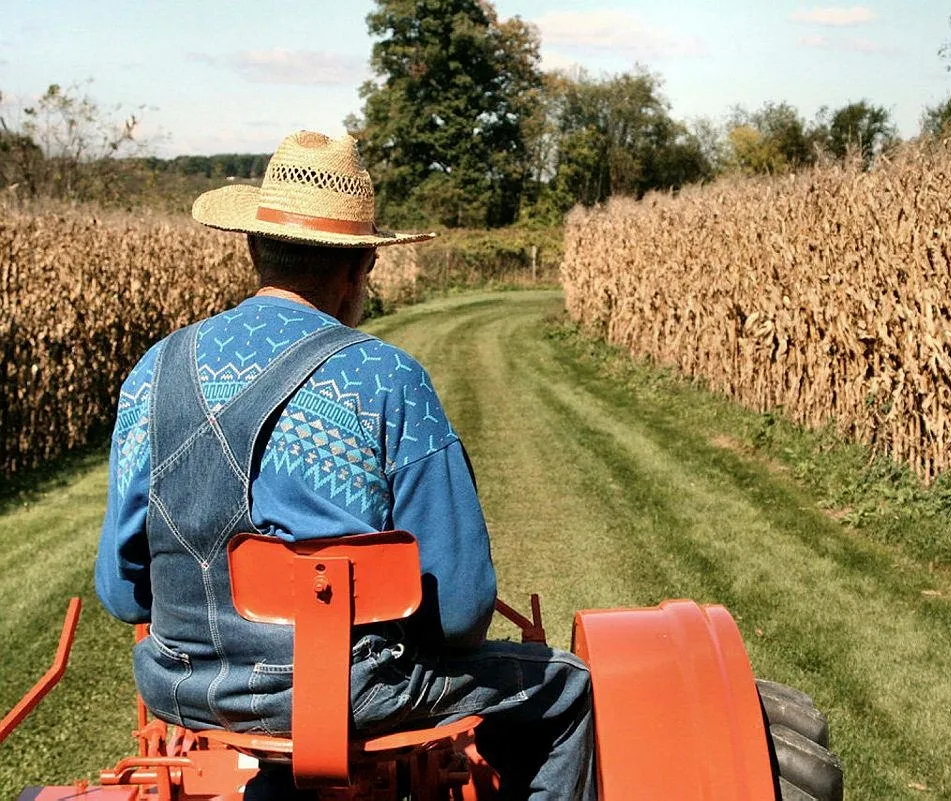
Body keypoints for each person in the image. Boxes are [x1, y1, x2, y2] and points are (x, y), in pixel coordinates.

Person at [94, 130, 596, 801]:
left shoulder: (153, 372)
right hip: (349, 696)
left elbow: (122, 592)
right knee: (566, 688)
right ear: (361, 265)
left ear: (254, 249)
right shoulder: (385, 379)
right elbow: (461, 611)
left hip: (182, 685)